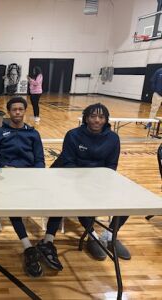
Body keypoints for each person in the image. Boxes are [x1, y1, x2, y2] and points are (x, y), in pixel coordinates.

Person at [37, 103, 130, 272]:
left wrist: (98, 181)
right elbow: (68, 162)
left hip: (98, 180)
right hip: (71, 177)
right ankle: (90, 236)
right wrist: (85, 181)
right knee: (71, 199)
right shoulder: (73, 135)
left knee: (130, 200)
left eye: (101, 117)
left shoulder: (113, 138)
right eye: (93, 116)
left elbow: (111, 166)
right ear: (86, 118)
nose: (96, 120)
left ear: (106, 120)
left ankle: (109, 236)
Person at [0, 97, 45, 277]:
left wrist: (33, 175)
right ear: (9, 112)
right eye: (14, 110)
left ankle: (47, 243)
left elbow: (40, 160)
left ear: (24, 111)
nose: (17, 112)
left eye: (20, 109)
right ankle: (28, 246)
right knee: (12, 204)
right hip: (7, 178)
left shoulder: (33, 134)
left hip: (29, 178)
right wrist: (1, 167)